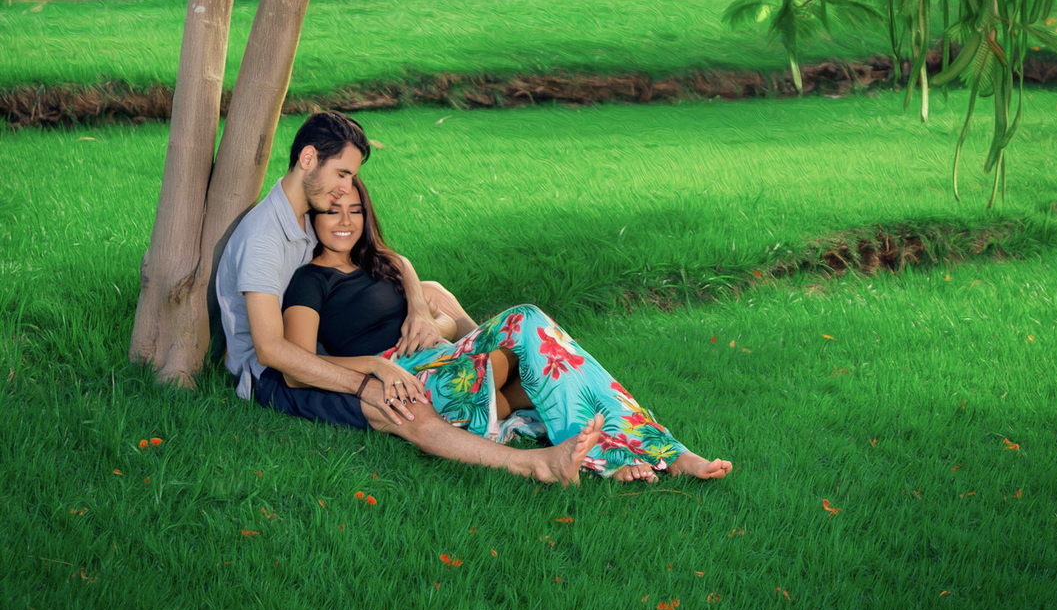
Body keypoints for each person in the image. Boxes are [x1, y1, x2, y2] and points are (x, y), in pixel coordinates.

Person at [213, 111, 606, 485]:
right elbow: (272, 352)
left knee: (435, 294)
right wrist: (366, 380)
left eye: (352, 177)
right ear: (308, 158)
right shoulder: (264, 239)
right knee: (401, 407)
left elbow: (379, 255)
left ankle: (486, 368)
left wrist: (419, 308)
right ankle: (537, 464)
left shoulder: (307, 208)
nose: (346, 187)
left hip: (320, 338)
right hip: (274, 376)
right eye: (342, 173)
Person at [282, 177, 733, 482]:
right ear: (312, 217)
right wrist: (377, 366)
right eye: (332, 211)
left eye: (355, 211)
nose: (345, 222)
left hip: (446, 363)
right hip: (410, 382)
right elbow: (299, 367)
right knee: (527, 326)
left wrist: (428, 316)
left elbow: (442, 308)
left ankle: (663, 451)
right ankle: (613, 453)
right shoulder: (310, 281)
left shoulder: (383, 264)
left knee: (553, 364)